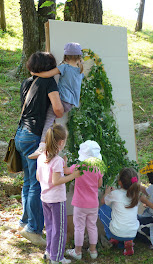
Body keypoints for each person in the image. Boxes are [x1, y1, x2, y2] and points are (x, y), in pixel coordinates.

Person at [15, 51, 64, 246]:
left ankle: (25, 222)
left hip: (20, 134)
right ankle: (34, 229)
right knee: (37, 183)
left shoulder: (27, 82)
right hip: (35, 136)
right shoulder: (49, 82)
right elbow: (58, 109)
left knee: (28, 182)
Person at [28, 42, 84, 159]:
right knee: (52, 122)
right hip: (70, 103)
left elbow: (48, 74)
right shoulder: (79, 71)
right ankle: (50, 148)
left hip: (62, 100)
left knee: (48, 120)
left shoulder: (64, 67)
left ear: (66, 57)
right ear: (79, 57)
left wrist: (34, 73)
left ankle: (42, 147)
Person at [36, 124, 81, 264]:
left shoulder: (42, 157)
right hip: (56, 200)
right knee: (60, 229)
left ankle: (49, 252)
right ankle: (58, 258)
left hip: (45, 198)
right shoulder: (57, 160)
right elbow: (56, 181)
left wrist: (62, 167)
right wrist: (73, 175)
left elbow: (38, 176)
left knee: (49, 227)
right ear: (61, 142)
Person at [63, 140, 104, 260]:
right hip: (93, 204)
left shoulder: (78, 167)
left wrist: (64, 162)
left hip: (80, 204)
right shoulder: (98, 169)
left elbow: (65, 172)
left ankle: (78, 251)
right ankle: (93, 250)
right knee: (92, 226)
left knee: (79, 228)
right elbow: (99, 184)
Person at [99, 168, 140, 256]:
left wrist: (107, 192)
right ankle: (127, 242)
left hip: (117, 232)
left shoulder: (115, 194)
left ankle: (113, 238)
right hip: (132, 233)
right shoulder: (136, 195)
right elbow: (124, 196)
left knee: (102, 209)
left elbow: (103, 201)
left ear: (120, 182)